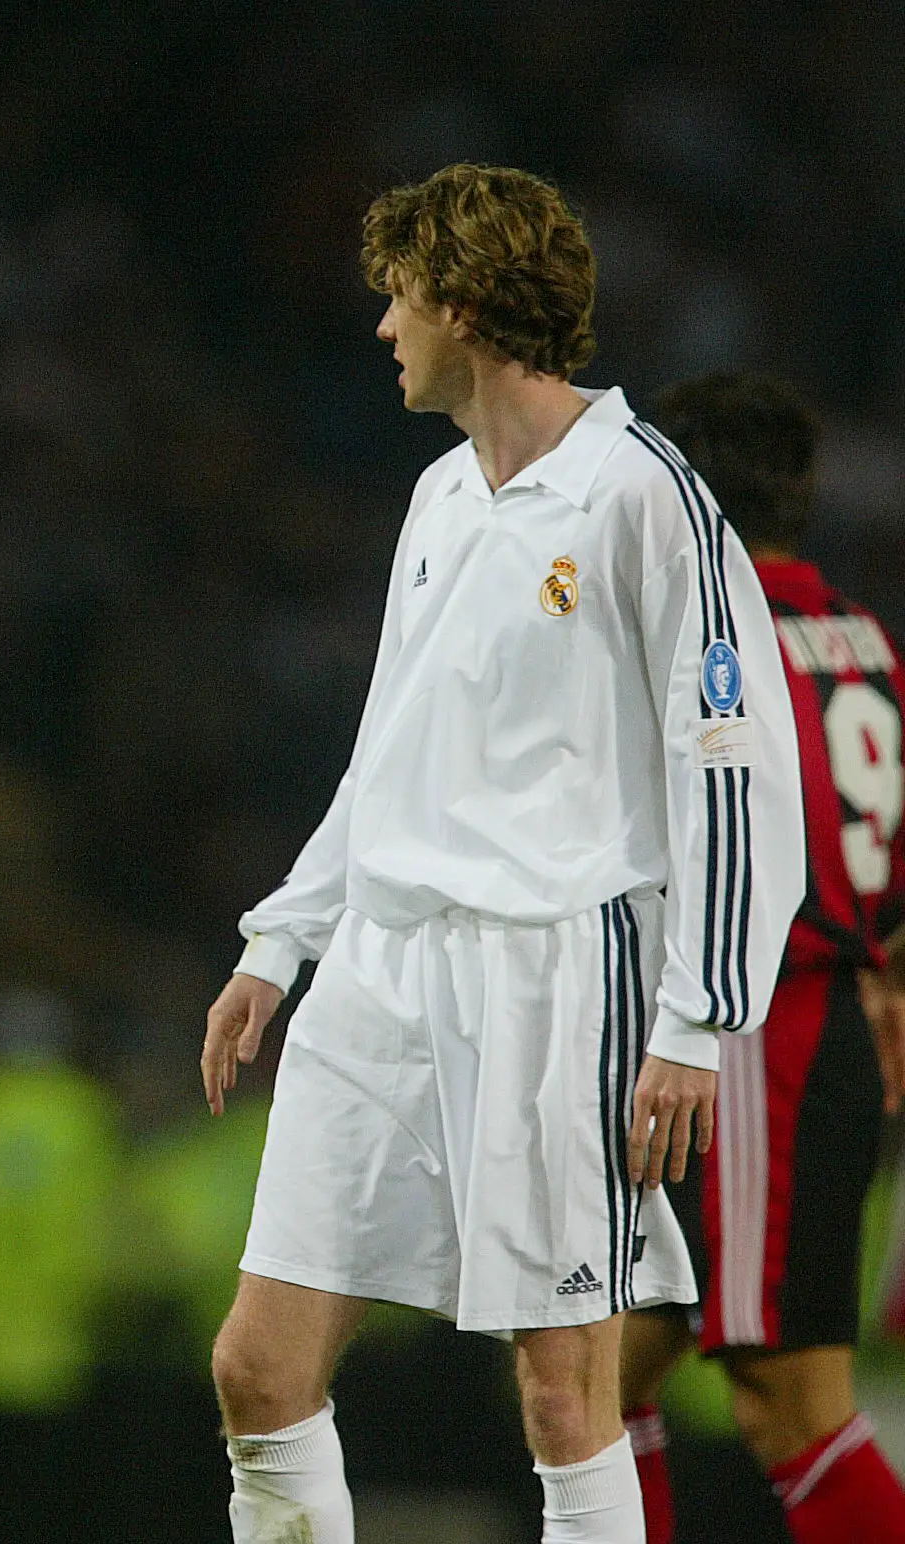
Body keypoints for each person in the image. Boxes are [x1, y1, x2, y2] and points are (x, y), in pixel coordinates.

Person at [198, 163, 805, 1544]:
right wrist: (281, 938)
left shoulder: (644, 497)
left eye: (400, 296)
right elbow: (389, 747)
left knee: (559, 1395)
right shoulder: (438, 498)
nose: (383, 327)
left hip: (554, 972)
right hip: (383, 965)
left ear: (466, 306)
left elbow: (731, 770)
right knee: (256, 1366)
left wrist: (696, 1020)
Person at [615, 372, 905, 1544]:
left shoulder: (723, 645)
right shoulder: (861, 639)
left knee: (786, 1406)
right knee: (590, 1373)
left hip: (755, 1035)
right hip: (817, 1020)